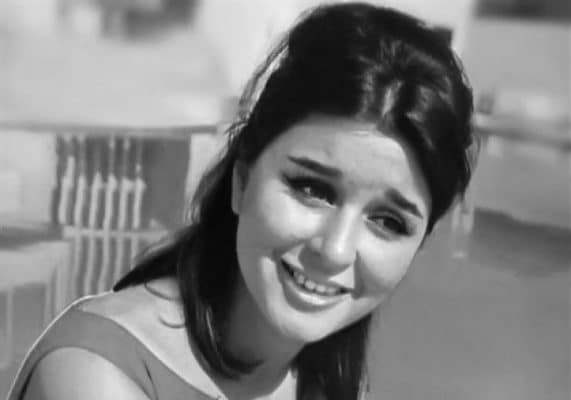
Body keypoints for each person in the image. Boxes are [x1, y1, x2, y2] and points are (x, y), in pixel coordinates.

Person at [8, 2, 477, 399]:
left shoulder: (320, 374)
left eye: (389, 222)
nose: (335, 250)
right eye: (313, 189)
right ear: (242, 177)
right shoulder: (95, 376)